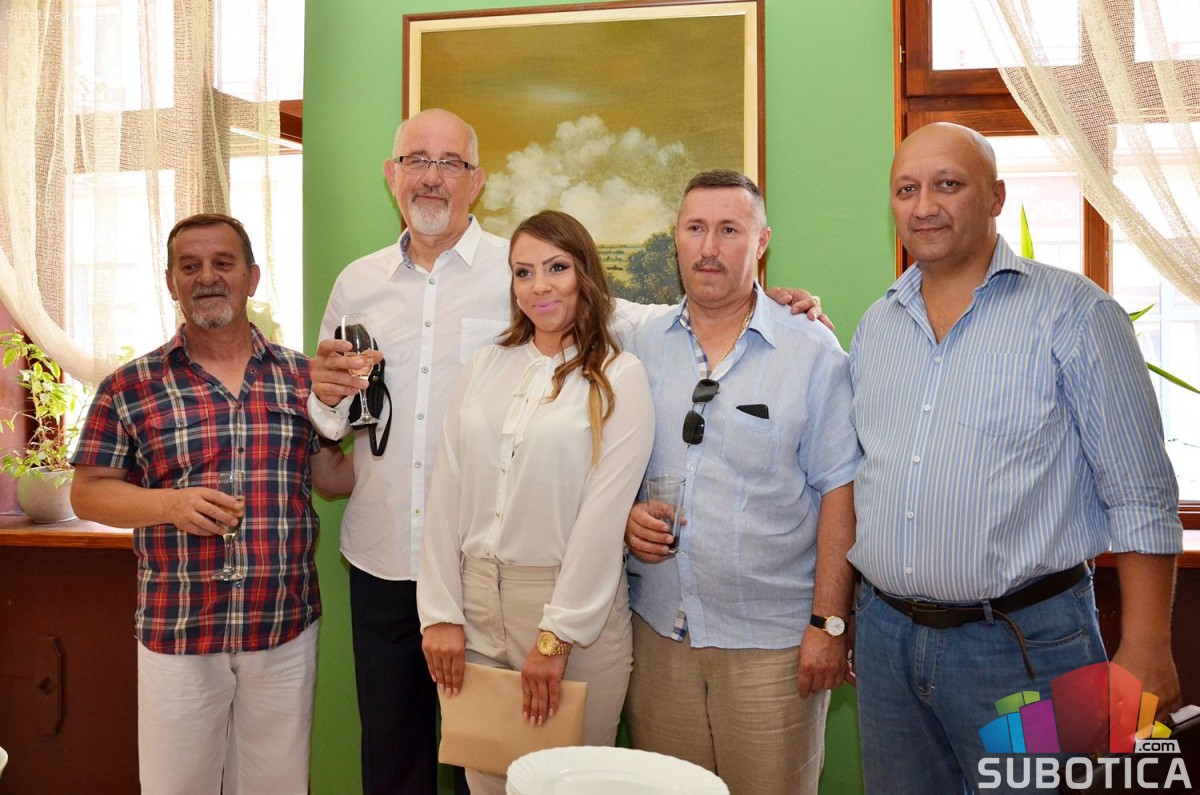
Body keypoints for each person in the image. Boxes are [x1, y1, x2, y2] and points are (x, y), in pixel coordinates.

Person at [307, 107, 832, 793]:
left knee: (545, 779)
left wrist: (767, 302)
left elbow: (664, 319)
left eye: (450, 163)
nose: (538, 283)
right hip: (399, 565)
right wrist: (323, 397)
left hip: (551, 596)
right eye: (416, 161)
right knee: (402, 760)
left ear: (476, 180)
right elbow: (351, 416)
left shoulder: (540, 288)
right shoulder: (362, 285)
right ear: (391, 174)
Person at [849, 122, 1184, 794]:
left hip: (1025, 646)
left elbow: (1141, 492)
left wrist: (1147, 647)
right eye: (907, 189)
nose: (924, 206)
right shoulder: (877, 325)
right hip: (887, 640)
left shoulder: (1077, 314)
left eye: (948, 184)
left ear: (996, 197)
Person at [70, 213, 353, 793]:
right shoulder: (129, 386)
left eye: (223, 263)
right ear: (170, 281)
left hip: (282, 626)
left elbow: (330, 479)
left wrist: (388, 429)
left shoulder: (302, 378)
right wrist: (169, 506)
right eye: (189, 266)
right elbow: (88, 490)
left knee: (278, 787)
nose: (207, 278)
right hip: (179, 629)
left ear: (252, 277)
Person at [623, 170, 859, 795]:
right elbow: (602, 464)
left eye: (729, 230)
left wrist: (829, 624)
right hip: (659, 636)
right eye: (695, 229)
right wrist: (625, 517)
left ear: (761, 242)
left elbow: (841, 491)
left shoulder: (813, 352)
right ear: (675, 238)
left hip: (773, 648)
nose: (708, 248)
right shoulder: (637, 343)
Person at [417, 209, 654, 794]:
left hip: (571, 615)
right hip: (474, 608)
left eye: (556, 268)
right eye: (523, 272)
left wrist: (556, 635)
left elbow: (602, 521)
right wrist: (440, 612)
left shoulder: (620, 376)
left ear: (585, 274)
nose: (539, 286)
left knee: (568, 787)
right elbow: (445, 492)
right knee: (485, 783)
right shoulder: (485, 365)